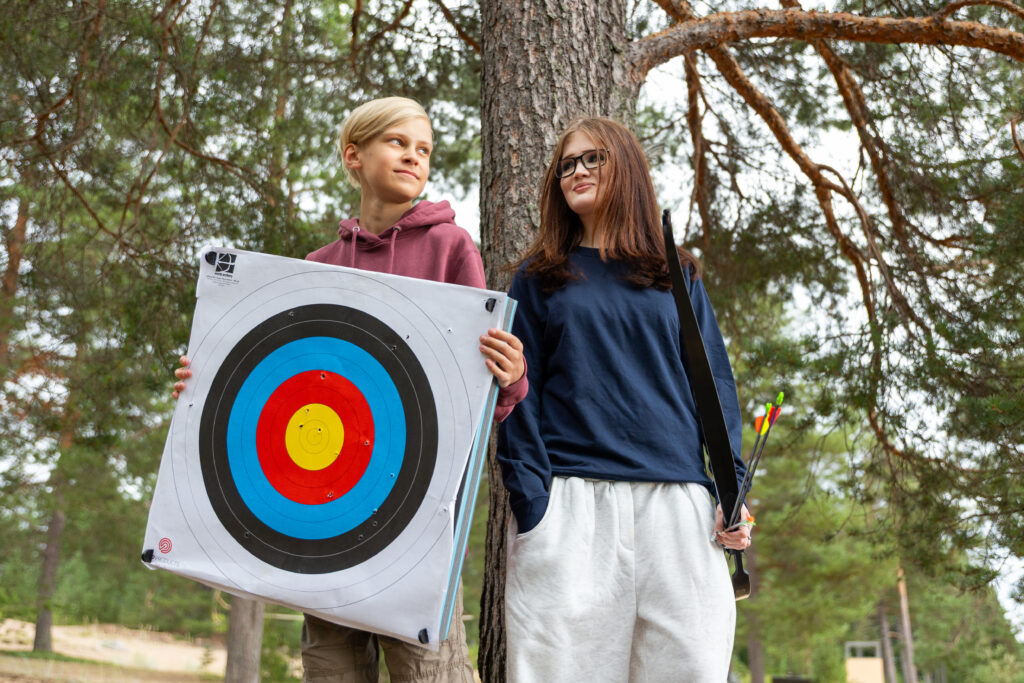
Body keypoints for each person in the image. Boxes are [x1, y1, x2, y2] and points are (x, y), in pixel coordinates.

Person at [174, 97, 528, 683]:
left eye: (424, 150)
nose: (414, 156)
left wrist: (510, 378)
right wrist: (206, 382)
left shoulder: (451, 248)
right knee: (330, 666)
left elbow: (472, 388)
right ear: (354, 155)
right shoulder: (319, 264)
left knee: (427, 669)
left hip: (412, 520)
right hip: (323, 512)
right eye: (398, 142)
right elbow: (283, 376)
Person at [496, 117, 752, 682]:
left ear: (627, 170)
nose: (577, 171)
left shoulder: (675, 274)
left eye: (593, 159)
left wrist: (731, 492)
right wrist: (535, 508)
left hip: (678, 512)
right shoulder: (539, 278)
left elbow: (716, 387)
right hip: (571, 509)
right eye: (567, 164)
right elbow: (517, 399)